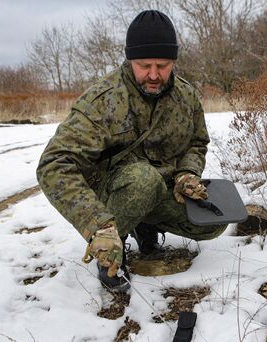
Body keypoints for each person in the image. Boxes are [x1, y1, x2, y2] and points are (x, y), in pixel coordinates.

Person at [36, 10, 227, 292]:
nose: (153, 74)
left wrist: (187, 173)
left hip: (160, 188)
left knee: (214, 223)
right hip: (110, 192)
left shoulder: (186, 97)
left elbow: (196, 143)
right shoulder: (103, 100)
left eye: (162, 65)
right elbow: (53, 164)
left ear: (174, 61)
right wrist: (97, 224)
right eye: (143, 65)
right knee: (142, 181)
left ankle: (145, 226)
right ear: (129, 60)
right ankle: (111, 250)